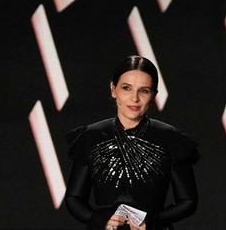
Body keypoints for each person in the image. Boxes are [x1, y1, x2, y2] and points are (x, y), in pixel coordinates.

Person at [64, 56, 199, 230]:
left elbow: (188, 201)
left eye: (144, 90)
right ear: (113, 90)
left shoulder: (171, 138)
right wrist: (101, 220)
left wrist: (152, 221)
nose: (134, 98)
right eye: (126, 88)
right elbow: (73, 198)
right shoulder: (91, 136)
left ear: (154, 95)